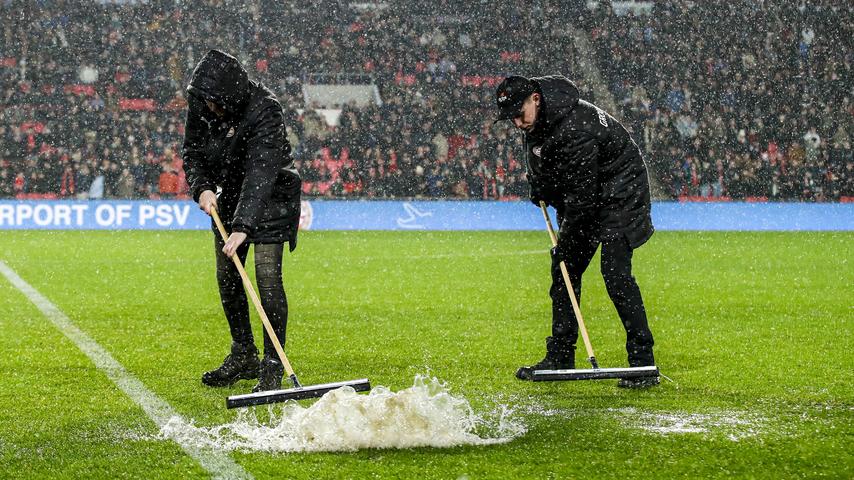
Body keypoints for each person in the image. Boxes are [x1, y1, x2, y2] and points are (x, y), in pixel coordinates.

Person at [495, 75, 659, 388]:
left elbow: (581, 201)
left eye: (520, 113)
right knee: (565, 272)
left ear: (536, 99)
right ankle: (560, 355)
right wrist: (541, 186)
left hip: (623, 194)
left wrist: (565, 242)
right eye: (511, 117)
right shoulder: (538, 121)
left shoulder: (576, 129)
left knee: (615, 274)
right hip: (593, 192)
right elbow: (551, 169)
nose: (517, 122)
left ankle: (642, 363)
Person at [183, 49, 302, 392]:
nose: (211, 110)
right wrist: (203, 188)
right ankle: (243, 354)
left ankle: (272, 364)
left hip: (272, 193)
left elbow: (260, 172)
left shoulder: (265, 108)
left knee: (267, 278)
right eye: (207, 103)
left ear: (232, 93)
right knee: (228, 276)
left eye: (217, 104)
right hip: (231, 191)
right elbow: (192, 150)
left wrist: (243, 227)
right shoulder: (203, 102)